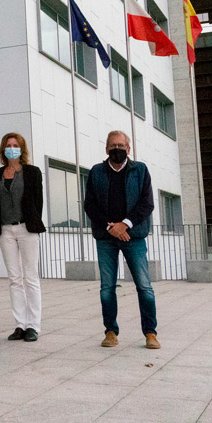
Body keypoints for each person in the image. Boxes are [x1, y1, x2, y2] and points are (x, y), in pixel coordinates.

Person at [84, 130, 160, 349]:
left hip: (133, 235)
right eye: (112, 145)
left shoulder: (140, 170)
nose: (116, 149)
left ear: (129, 148)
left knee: (144, 286)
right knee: (107, 287)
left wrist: (125, 224)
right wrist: (111, 226)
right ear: (106, 149)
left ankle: (150, 333)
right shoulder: (97, 172)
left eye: (121, 145)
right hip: (106, 236)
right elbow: (90, 205)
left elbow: (147, 204)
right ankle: (110, 331)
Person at [0, 132, 45, 343]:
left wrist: (31, 222)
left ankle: (33, 325)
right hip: (5, 230)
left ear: (21, 149)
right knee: (14, 278)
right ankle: (20, 324)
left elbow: (38, 202)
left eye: (15, 145)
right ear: (3, 149)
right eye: (8, 145)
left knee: (30, 276)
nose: (11, 148)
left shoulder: (32, 172)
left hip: (26, 228)